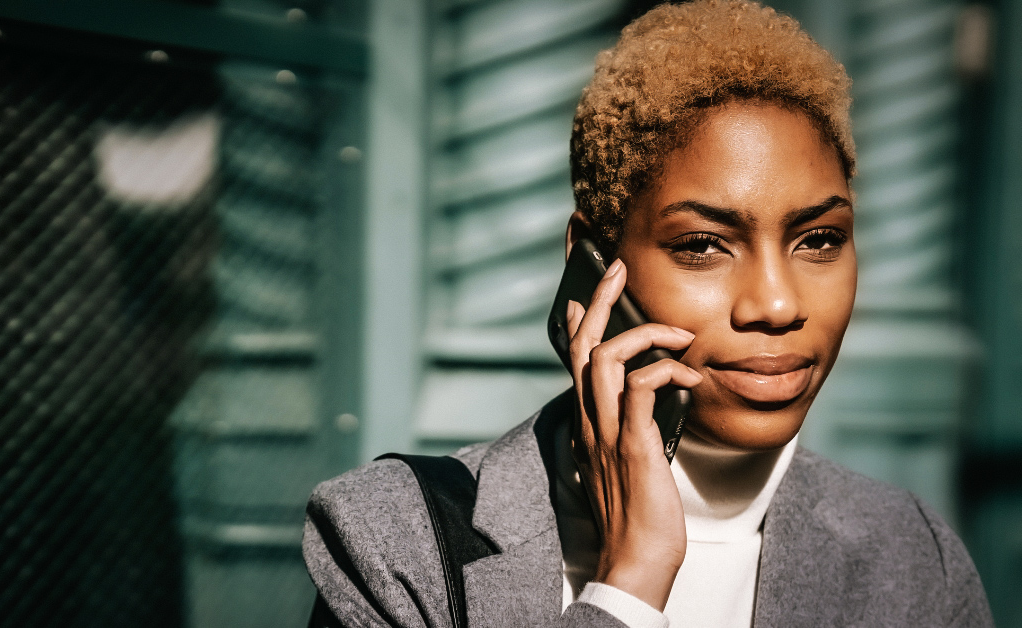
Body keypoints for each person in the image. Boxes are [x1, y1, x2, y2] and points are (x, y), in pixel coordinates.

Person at [302, 1, 994, 626]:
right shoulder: (392, 541)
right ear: (593, 268)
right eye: (702, 247)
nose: (778, 305)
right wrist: (628, 586)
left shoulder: (914, 559)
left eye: (819, 240)